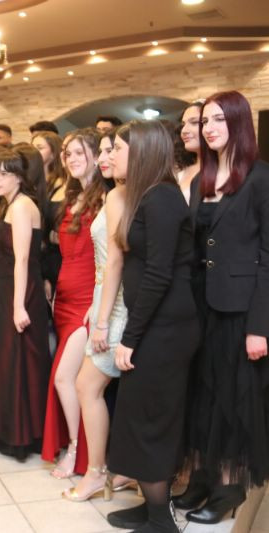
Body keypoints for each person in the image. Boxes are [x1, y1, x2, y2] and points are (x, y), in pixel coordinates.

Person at [172, 91, 269, 525]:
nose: (208, 128)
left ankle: (230, 487)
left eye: (217, 120)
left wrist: (260, 326)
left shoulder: (261, 179)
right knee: (202, 394)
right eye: (204, 121)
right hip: (199, 307)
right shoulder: (202, 180)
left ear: (238, 123)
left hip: (239, 311)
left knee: (233, 399)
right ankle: (203, 477)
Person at [105, 120, 199, 532]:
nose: (111, 155)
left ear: (141, 152)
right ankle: (150, 505)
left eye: (118, 148)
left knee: (152, 420)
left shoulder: (161, 197)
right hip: (156, 325)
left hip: (167, 329)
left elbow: (159, 274)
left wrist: (130, 336)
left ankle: (162, 520)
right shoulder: (147, 195)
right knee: (139, 415)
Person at [66, 130, 133, 501]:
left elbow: (116, 261)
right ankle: (116, 469)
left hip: (117, 303)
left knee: (86, 386)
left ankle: (96, 472)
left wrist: (103, 319)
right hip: (105, 298)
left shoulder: (121, 195)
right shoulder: (117, 192)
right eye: (103, 151)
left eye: (113, 150)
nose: (105, 157)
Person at [0, 148, 50, 460]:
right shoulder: (13, 204)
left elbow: (22, 260)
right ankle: (10, 430)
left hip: (22, 291)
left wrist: (19, 306)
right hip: (11, 287)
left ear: (20, 177)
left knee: (20, 361)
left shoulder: (21, 206)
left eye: (4, 173)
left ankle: (23, 434)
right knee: (9, 361)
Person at [42, 128, 104, 479]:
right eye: (67, 153)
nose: (71, 159)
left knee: (64, 378)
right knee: (70, 379)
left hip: (87, 302)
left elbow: (112, 259)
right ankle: (78, 448)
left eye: (79, 152)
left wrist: (98, 306)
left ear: (97, 155)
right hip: (64, 299)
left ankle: (78, 452)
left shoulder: (106, 197)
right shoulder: (72, 196)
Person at [32, 131, 66, 303]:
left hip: (53, 257)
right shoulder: (31, 183)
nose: (34, 151)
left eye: (40, 147)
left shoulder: (61, 184)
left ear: (53, 153)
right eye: (32, 147)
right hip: (35, 254)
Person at [176, 101, 203, 204]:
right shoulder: (180, 170)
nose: (184, 131)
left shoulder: (223, 171)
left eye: (194, 122)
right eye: (183, 125)